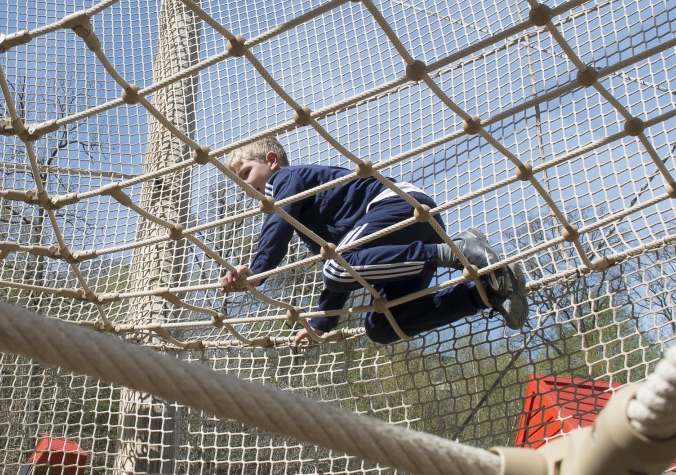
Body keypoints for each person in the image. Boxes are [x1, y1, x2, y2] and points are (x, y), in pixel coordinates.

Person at [216, 137, 527, 346]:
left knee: (337, 269)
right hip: (401, 242)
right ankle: (488, 291)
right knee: (384, 326)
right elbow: (341, 272)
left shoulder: (284, 180)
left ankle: (459, 249)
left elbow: (278, 224)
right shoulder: (312, 227)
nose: (246, 187)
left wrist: (257, 271)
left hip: (398, 207)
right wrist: (321, 324)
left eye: (246, 173)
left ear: (272, 161)